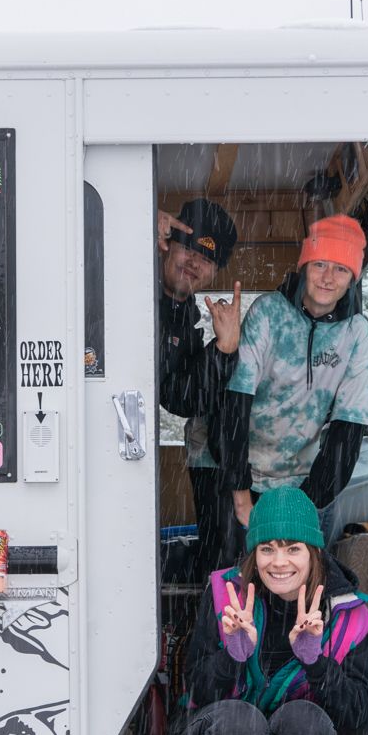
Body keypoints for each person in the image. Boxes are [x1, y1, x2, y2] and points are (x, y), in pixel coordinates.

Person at [171, 486, 368, 735]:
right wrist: (231, 656)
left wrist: (316, 663)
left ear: (314, 551)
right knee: (239, 720)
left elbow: (359, 711)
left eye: (292, 548)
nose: (278, 562)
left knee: (307, 720)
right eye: (267, 548)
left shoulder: (350, 614)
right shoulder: (223, 594)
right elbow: (193, 693)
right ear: (254, 553)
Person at [214, 213, 368, 535]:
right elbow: (235, 403)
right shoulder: (268, 312)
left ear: (352, 279)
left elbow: (350, 425)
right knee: (242, 579)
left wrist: (310, 502)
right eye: (320, 264)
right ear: (304, 267)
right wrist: (241, 494)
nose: (328, 277)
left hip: (307, 482)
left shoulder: (357, 331)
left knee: (301, 577)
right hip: (248, 476)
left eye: (341, 269)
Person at [156, 199, 244, 572]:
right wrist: (133, 224)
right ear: (166, 245)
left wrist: (223, 350)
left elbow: (181, 397)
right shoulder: (126, 279)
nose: (193, 262)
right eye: (187, 249)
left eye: (205, 259)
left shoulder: (183, 319)